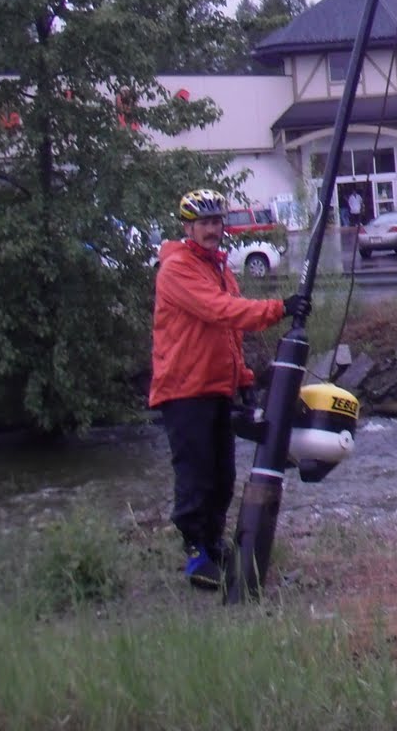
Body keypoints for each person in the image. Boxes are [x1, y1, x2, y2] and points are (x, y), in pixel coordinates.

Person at [150, 188, 311, 590]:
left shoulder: (220, 268)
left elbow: (228, 334)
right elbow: (219, 310)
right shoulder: (177, 269)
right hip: (184, 389)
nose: (211, 229)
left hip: (217, 386)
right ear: (188, 227)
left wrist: (244, 382)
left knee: (222, 475)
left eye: (216, 222)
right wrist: (279, 308)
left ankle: (215, 544)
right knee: (195, 474)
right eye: (203, 223)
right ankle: (195, 554)